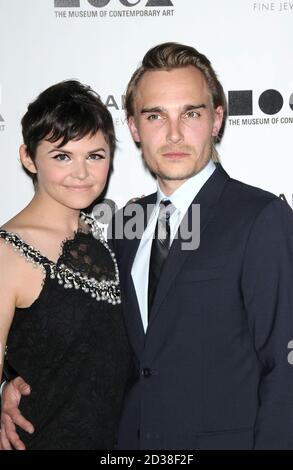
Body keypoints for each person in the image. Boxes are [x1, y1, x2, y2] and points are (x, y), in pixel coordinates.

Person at [2, 42, 293, 450]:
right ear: (135, 128)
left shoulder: (259, 217)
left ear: (217, 120)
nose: (174, 133)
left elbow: (284, 368)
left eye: (190, 113)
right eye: (155, 115)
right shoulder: (123, 228)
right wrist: (11, 384)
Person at [0, 80, 131, 450]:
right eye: (62, 156)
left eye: (95, 155)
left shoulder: (109, 242)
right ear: (28, 157)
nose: (81, 173)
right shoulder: (7, 253)